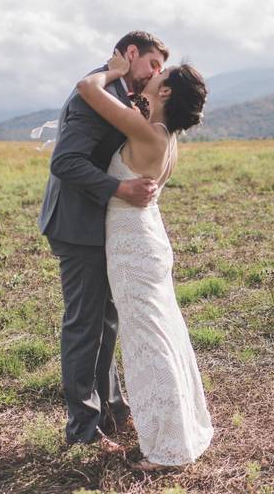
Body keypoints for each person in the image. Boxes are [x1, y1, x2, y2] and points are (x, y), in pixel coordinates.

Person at [76, 51, 213, 470]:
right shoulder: (165, 138)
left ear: (166, 90)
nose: (153, 74)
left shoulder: (147, 131)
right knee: (162, 335)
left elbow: (86, 89)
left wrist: (112, 72)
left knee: (148, 342)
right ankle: (177, 432)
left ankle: (169, 447)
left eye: (161, 73)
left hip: (133, 245)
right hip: (146, 238)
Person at [38, 31, 168, 449]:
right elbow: (65, 161)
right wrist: (119, 190)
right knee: (84, 324)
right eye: (152, 64)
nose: (156, 74)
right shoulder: (96, 91)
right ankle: (83, 430)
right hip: (78, 225)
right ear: (130, 54)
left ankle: (112, 408)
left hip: (104, 226)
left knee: (107, 319)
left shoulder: (116, 91)